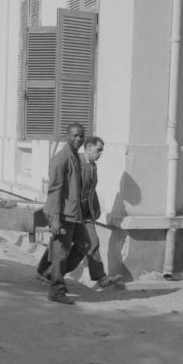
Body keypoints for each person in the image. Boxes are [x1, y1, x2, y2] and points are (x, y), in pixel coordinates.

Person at [37, 136, 122, 291]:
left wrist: (94, 208)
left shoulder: (93, 166)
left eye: (102, 150)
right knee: (60, 245)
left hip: (85, 214)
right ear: (88, 147)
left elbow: (91, 191)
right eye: (98, 150)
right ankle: (45, 271)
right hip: (70, 213)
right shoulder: (77, 163)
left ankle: (100, 277)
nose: (100, 153)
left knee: (92, 242)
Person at [39, 122, 90, 304]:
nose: (78, 139)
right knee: (60, 254)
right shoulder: (61, 159)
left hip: (74, 214)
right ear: (67, 136)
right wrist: (54, 220)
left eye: (81, 136)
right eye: (75, 136)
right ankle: (56, 291)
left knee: (84, 244)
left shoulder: (76, 156)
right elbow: (55, 190)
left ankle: (51, 274)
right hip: (62, 215)